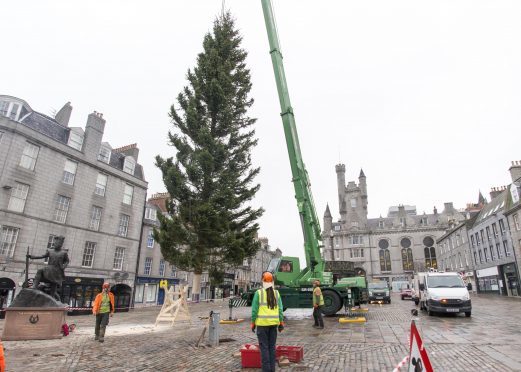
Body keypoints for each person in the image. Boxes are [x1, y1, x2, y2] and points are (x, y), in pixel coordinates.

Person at [251, 272, 284, 372]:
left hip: (262, 325)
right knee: (271, 347)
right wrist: (281, 323)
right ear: (272, 281)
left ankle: (266, 370)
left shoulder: (259, 293)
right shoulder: (276, 293)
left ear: (262, 280)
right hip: (274, 324)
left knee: (264, 348)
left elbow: (254, 310)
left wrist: (253, 323)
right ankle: (272, 369)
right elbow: (280, 310)